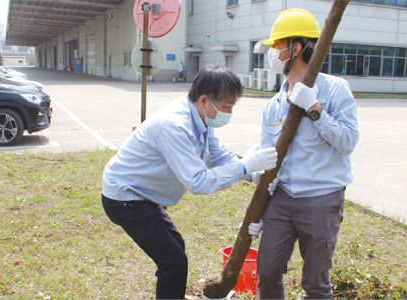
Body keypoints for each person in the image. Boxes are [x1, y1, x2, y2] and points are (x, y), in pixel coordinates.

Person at [100, 64, 279, 299]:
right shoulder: (175, 126)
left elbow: (217, 155)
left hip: (144, 194)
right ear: (204, 100)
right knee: (173, 261)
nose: (230, 112)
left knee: (175, 249)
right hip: (126, 197)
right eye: (227, 105)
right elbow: (197, 181)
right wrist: (245, 165)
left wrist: (251, 174)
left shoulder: (201, 118)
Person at [245, 8, 359, 299]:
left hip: (322, 196)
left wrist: (315, 109)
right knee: (267, 271)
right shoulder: (272, 105)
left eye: (276, 45)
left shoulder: (334, 90)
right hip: (282, 197)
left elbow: (347, 142)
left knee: (315, 283)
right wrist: (258, 183)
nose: (272, 52)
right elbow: (267, 154)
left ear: (295, 48)